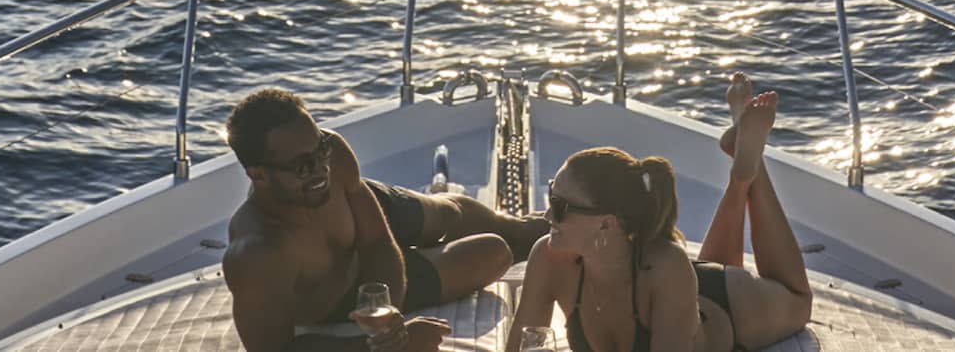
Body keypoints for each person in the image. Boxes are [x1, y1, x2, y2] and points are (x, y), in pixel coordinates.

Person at [505, 74, 813, 352]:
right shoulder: (547, 257)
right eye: (550, 196)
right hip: (679, 294)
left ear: (606, 223)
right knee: (711, 267)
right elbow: (520, 348)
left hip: (727, 308)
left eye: (560, 206)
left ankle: (748, 172)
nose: (547, 217)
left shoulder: (667, 265)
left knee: (799, 301)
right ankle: (741, 165)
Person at [223, 87, 546, 352]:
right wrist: (385, 343)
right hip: (345, 294)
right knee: (494, 252)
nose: (322, 168)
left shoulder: (333, 154)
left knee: (448, 214)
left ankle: (523, 225)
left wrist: (388, 310)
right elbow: (272, 350)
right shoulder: (258, 254)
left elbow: (377, 241)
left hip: (362, 208)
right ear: (259, 176)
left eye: (319, 148)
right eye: (303, 166)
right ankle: (514, 233)